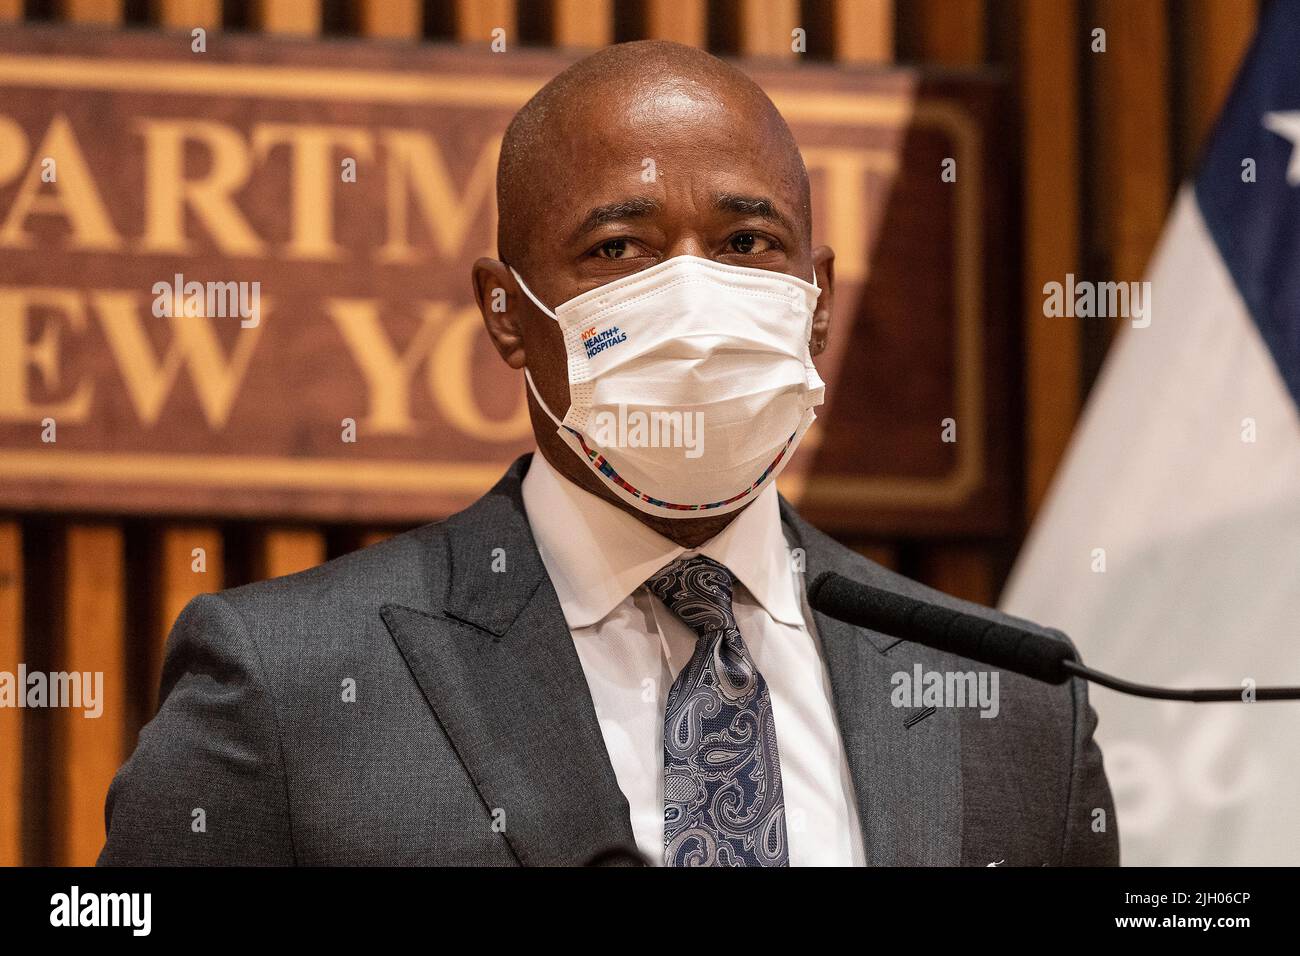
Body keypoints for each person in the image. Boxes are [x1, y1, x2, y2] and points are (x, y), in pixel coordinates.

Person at [99, 40, 1117, 867]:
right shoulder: (291, 682)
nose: (694, 294)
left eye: (747, 241)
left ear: (816, 303)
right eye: (618, 249)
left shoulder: (1012, 705)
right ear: (506, 313)